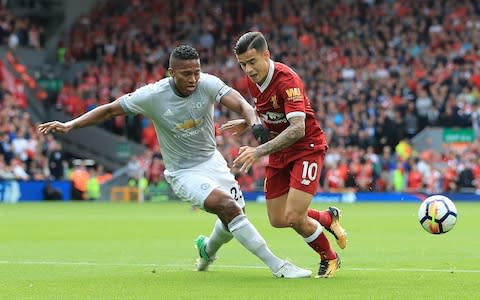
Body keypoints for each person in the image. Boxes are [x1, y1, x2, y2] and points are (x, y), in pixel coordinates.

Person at [37, 45, 311, 279]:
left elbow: (239, 102)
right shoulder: (152, 96)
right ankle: (278, 266)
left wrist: (253, 123)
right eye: (186, 73)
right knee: (228, 207)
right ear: (172, 73)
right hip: (183, 171)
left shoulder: (207, 83)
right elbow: (110, 110)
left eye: (196, 72)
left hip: (212, 162)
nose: (193, 78)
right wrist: (71, 125)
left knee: (234, 214)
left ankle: (207, 250)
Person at [222, 32, 347, 278]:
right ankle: (327, 218)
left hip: (305, 147)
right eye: (243, 64)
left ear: (266, 55)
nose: (248, 69)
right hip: (280, 149)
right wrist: (248, 122)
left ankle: (329, 257)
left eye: (252, 62)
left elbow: (298, 128)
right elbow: (266, 112)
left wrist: (258, 151)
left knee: (294, 216)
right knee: (278, 219)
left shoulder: (286, 80)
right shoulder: (253, 80)